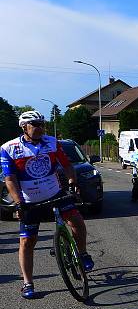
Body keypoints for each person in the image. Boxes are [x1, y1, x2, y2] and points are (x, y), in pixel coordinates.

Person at [1, 110, 94, 298]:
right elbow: (10, 179)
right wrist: (19, 203)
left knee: (76, 220)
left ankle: (82, 253)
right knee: (27, 242)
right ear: (24, 127)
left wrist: (72, 182)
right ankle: (28, 283)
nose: (40, 128)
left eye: (42, 124)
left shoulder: (51, 142)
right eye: (35, 124)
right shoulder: (9, 148)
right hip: (29, 201)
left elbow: (67, 165)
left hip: (55, 192)